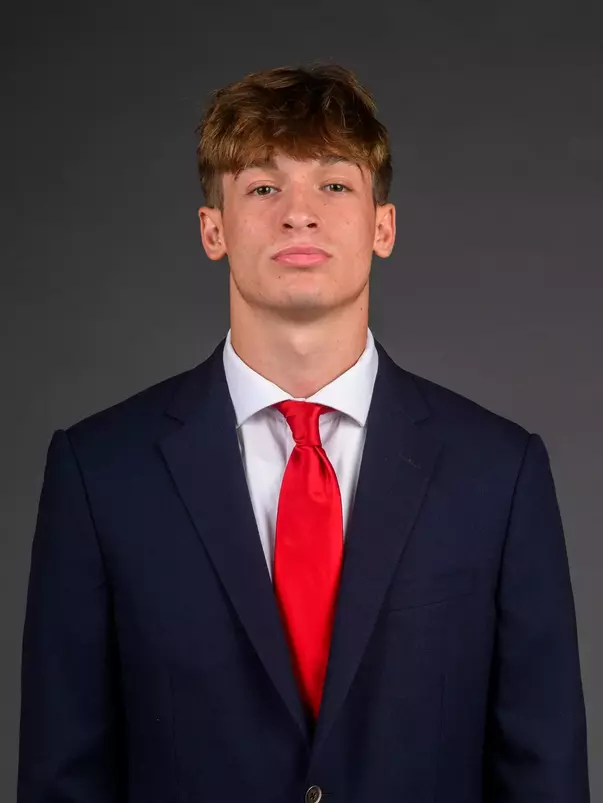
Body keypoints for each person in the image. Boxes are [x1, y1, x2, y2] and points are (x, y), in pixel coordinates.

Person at [17, 63, 590, 803]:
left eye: (333, 184)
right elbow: (63, 775)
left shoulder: (498, 472)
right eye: (262, 187)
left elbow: (543, 772)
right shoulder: (99, 473)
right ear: (212, 229)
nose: (298, 213)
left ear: (382, 226)